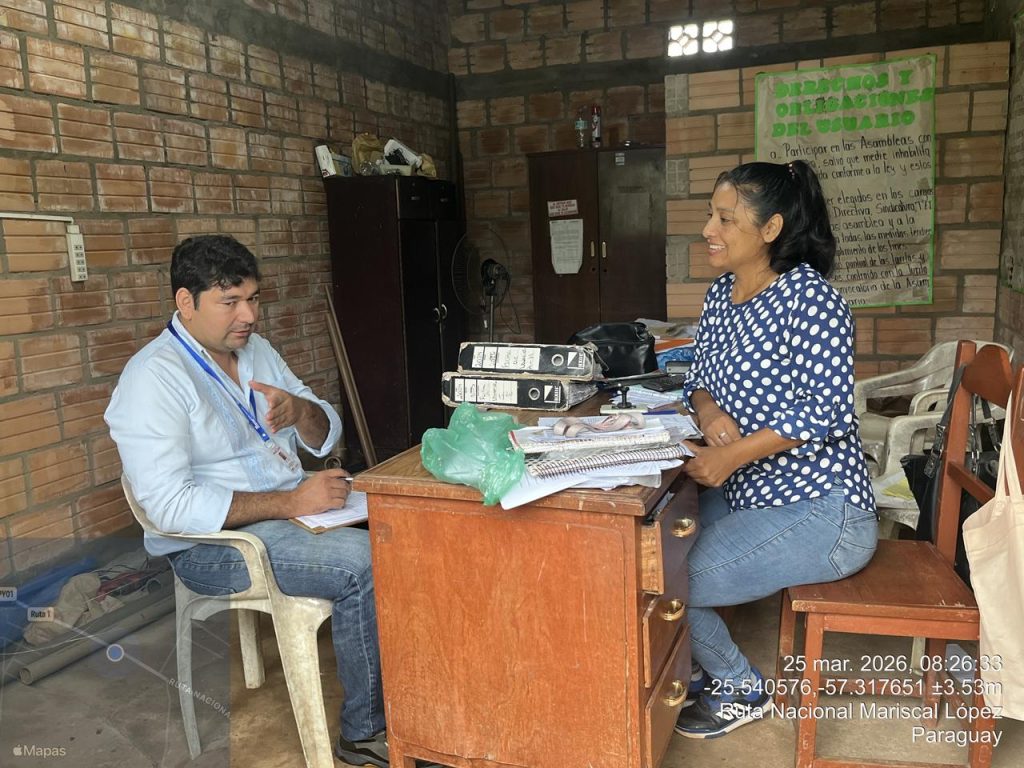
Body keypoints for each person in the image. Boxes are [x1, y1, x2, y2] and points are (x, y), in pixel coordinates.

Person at [105, 235, 390, 767]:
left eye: (253, 299)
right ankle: (365, 734)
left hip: (293, 508)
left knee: (414, 527)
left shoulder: (253, 350)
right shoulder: (153, 379)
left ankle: (429, 699)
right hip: (213, 546)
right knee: (366, 565)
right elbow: (170, 506)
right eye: (230, 302)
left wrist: (301, 409)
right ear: (185, 302)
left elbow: (324, 433)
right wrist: (289, 503)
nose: (249, 315)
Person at [674, 160, 878, 739]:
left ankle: (740, 687)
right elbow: (699, 378)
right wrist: (710, 415)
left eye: (724, 218)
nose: (709, 230)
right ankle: (684, 663)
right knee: (649, 545)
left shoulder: (810, 301)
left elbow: (826, 410)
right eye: (710, 216)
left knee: (667, 578)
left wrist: (731, 456)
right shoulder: (722, 294)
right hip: (751, 494)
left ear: (770, 230)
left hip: (823, 510)